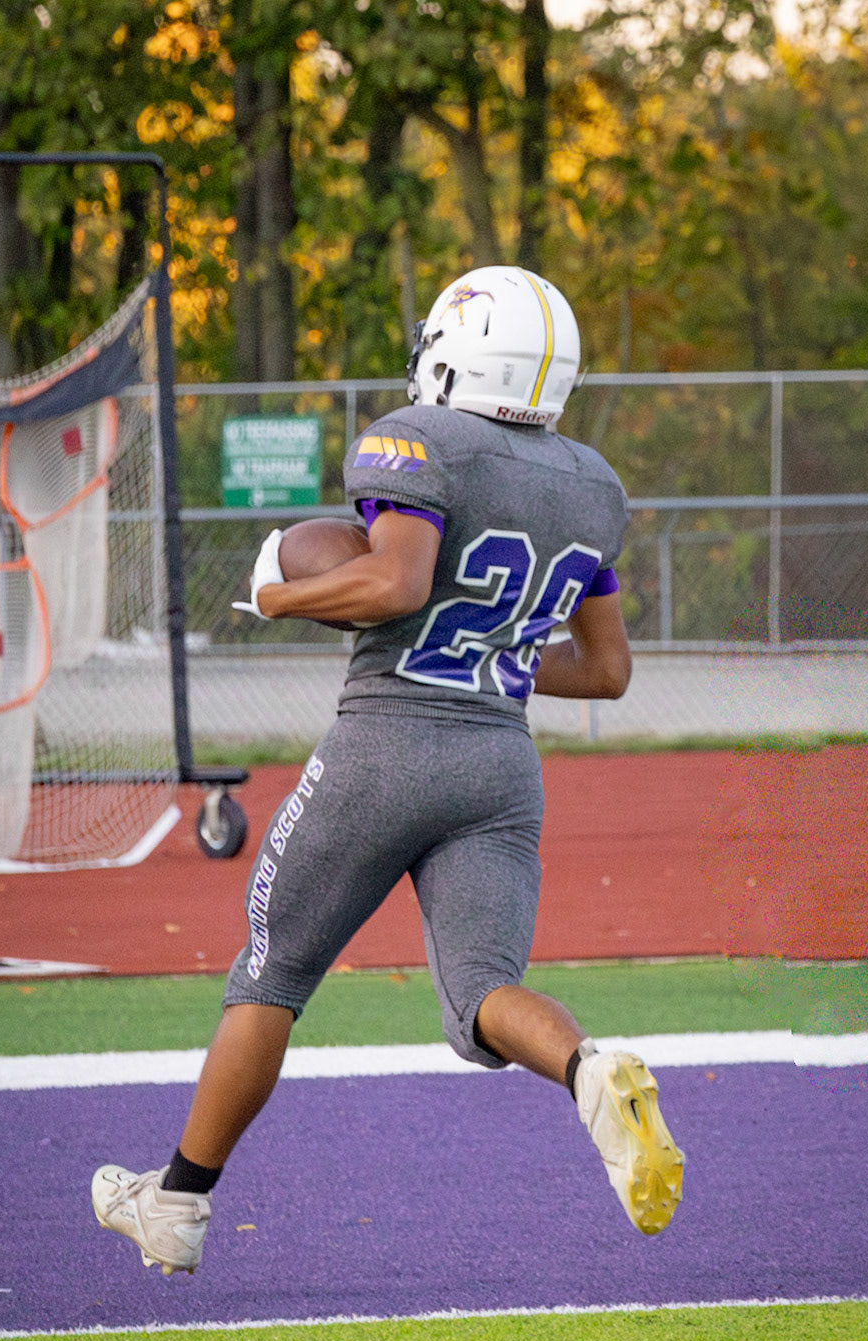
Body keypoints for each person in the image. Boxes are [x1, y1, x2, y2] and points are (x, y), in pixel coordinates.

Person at [92, 266, 684, 1276]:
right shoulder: (592, 486)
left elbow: (397, 579)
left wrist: (275, 598)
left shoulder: (418, 437)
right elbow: (608, 670)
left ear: (456, 354)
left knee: (271, 974)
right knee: (486, 994)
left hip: (388, 743)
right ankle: (588, 1068)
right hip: (498, 764)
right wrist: (492, 645)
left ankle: (178, 1203)